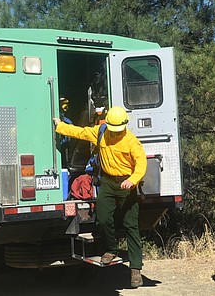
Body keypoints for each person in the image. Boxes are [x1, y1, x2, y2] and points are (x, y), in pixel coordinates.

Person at [53, 105, 146, 289]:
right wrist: (60, 125)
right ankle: (111, 249)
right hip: (108, 183)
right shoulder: (101, 132)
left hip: (127, 184)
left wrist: (133, 180)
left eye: (119, 129)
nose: (116, 133)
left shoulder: (131, 141)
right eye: (113, 129)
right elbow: (80, 132)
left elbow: (141, 163)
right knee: (103, 219)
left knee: (131, 227)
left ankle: (136, 269)